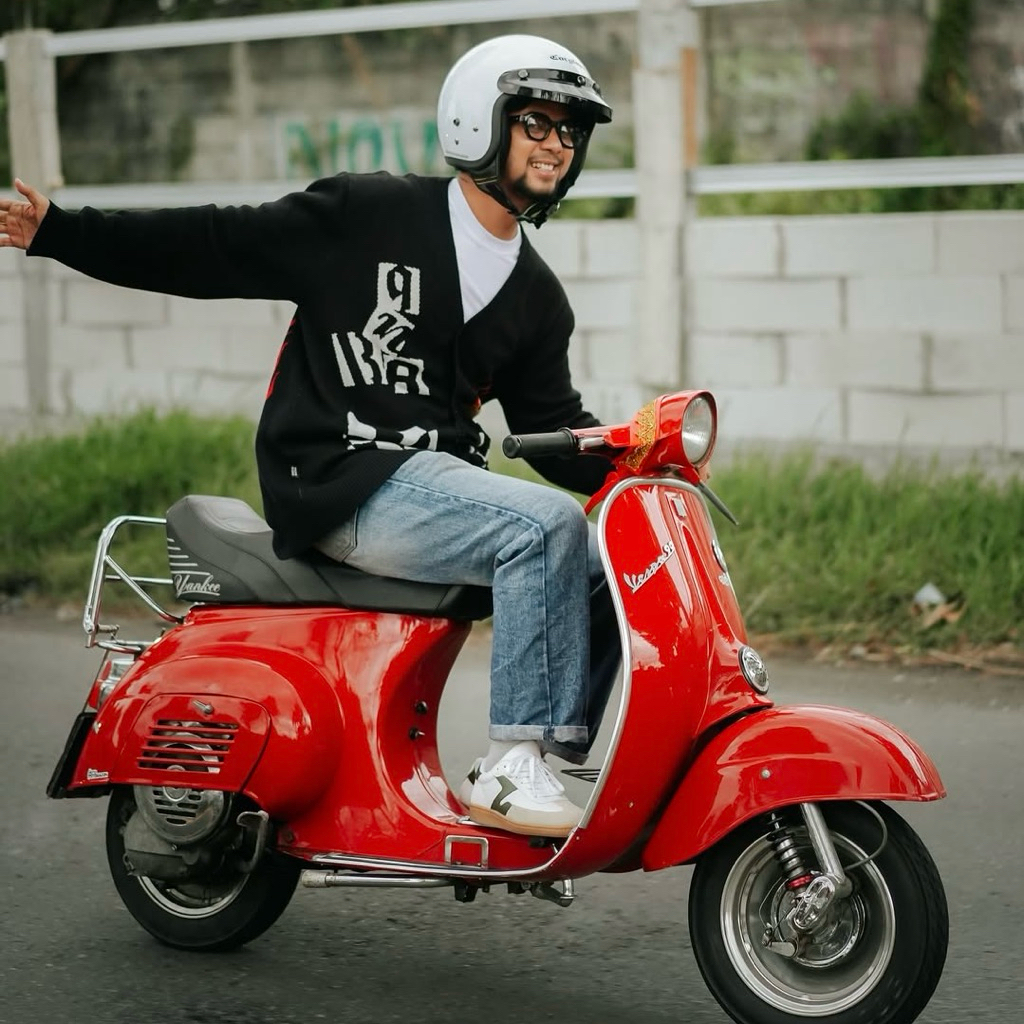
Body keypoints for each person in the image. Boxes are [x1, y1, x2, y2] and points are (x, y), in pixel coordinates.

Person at [0, 34, 621, 839]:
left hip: (433, 490)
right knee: (543, 528)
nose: (556, 144)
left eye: (570, 130)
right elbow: (216, 243)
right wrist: (63, 232)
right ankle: (512, 763)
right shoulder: (368, 216)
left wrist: (641, 460)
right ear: (481, 121)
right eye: (536, 121)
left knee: (608, 558)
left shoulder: (537, 296)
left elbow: (550, 427)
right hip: (342, 479)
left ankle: (545, 757)